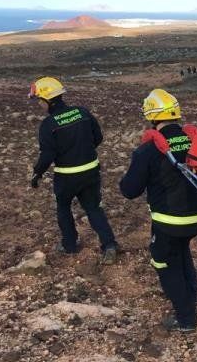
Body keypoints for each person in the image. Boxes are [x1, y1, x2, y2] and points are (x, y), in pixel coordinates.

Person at [120, 89, 197, 332]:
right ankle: (190, 299)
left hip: (169, 221)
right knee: (181, 251)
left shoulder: (148, 151)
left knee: (163, 261)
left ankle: (186, 319)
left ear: (151, 116)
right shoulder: (195, 141)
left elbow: (129, 190)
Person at [29, 77, 118, 264]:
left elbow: (48, 155)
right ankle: (109, 244)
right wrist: (84, 150)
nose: (39, 104)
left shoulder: (48, 125)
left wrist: (37, 173)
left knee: (63, 208)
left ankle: (69, 245)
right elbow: (98, 137)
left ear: (48, 100)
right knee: (94, 208)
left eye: (39, 100)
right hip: (91, 172)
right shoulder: (82, 112)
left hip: (66, 176)